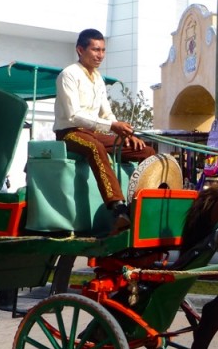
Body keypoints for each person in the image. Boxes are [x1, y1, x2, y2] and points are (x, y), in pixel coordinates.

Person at [54, 28, 155, 236]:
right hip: (70, 132)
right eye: (95, 49)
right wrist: (111, 127)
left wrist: (124, 133)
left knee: (145, 152)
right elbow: (73, 116)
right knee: (95, 147)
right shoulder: (68, 74)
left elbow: (107, 113)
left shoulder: (98, 78)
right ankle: (117, 208)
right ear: (80, 50)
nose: (100, 54)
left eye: (103, 50)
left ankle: (143, 205)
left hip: (95, 131)